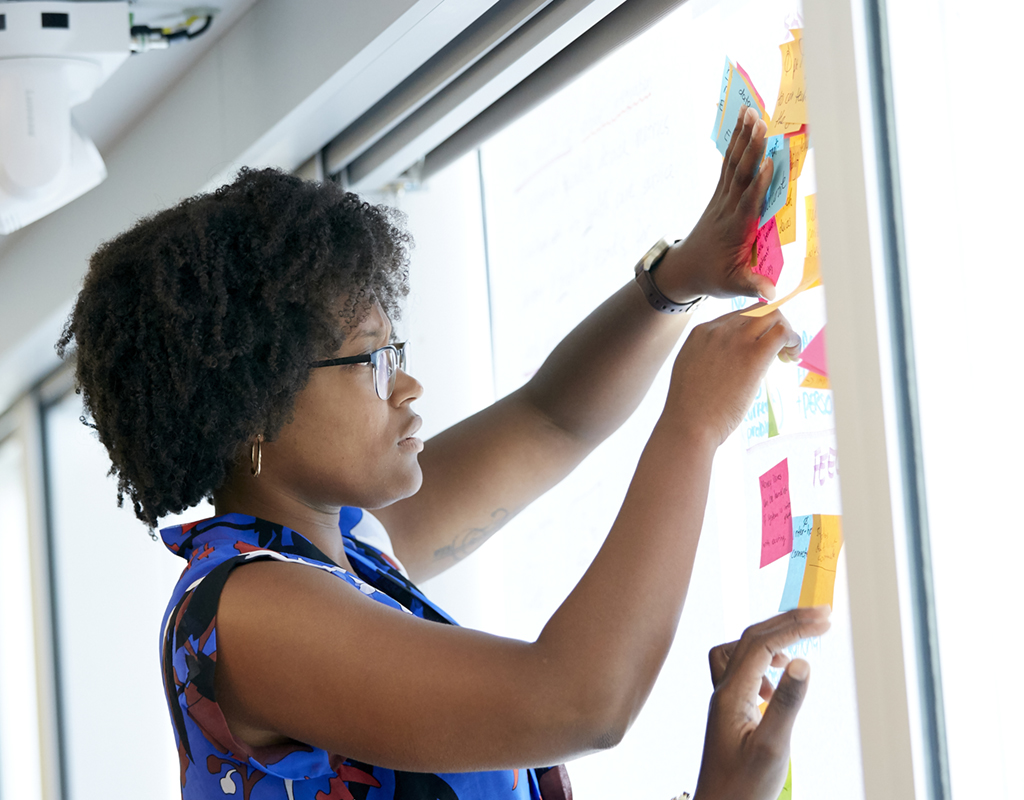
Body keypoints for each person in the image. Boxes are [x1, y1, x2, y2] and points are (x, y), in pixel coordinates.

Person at [58, 105, 826, 799]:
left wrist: (678, 281)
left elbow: (551, 419)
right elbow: (579, 701)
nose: (410, 385)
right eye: (374, 361)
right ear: (254, 405)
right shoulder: (249, 613)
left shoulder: (350, 551)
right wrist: (691, 428)